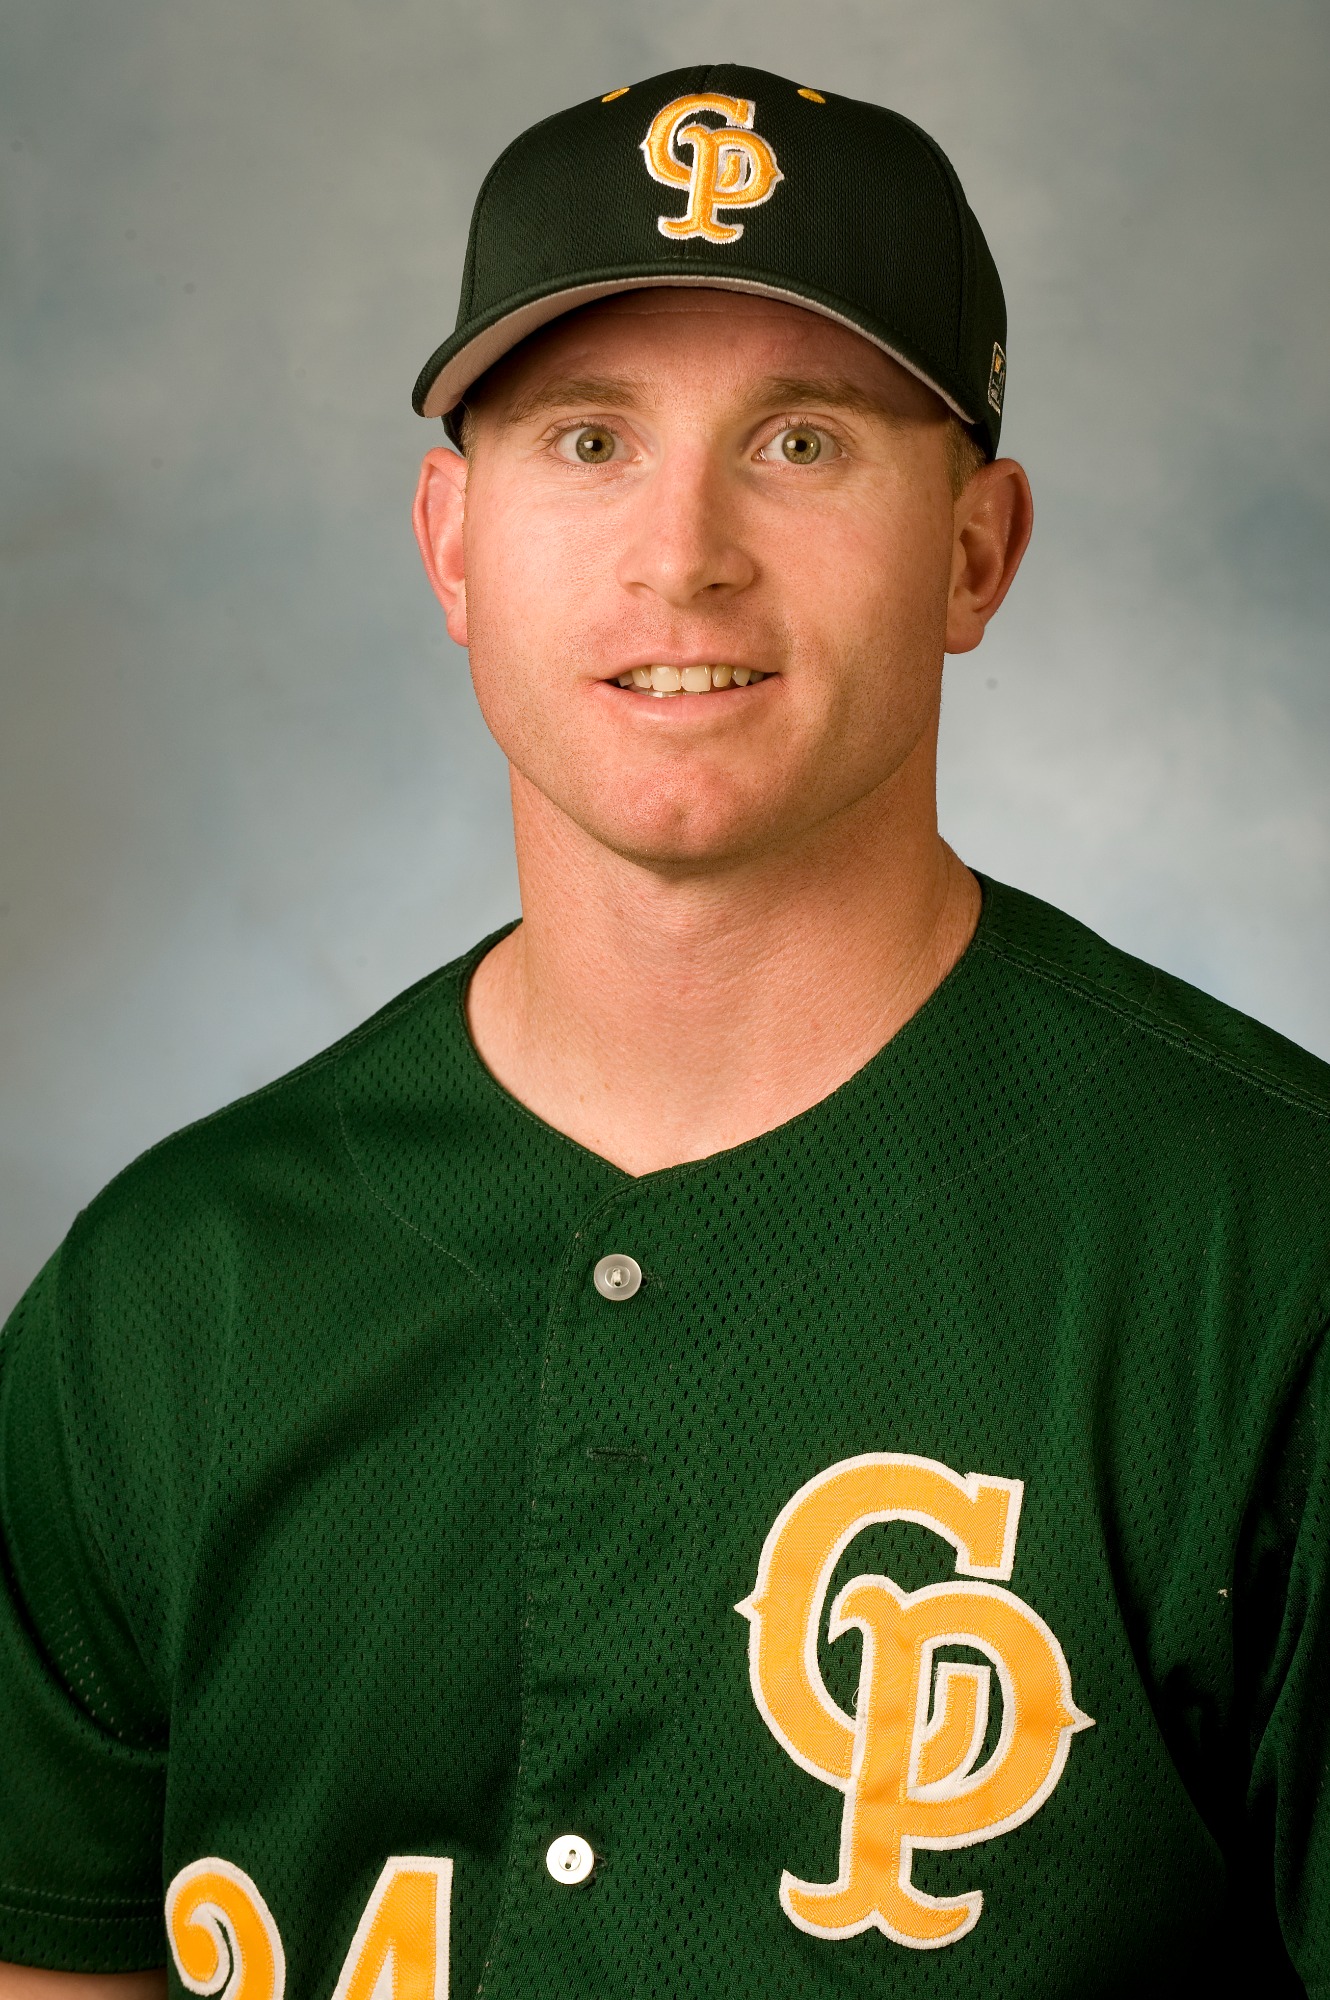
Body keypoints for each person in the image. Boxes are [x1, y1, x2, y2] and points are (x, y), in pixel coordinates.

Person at [1, 61, 1326, 2000]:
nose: (682, 549)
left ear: (973, 546)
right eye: (584, 439)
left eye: (800, 441)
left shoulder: (1270, 1256)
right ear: (450, 540)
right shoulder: (168, 1291)